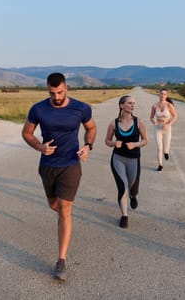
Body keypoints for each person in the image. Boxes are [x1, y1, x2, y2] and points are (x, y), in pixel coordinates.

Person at [21, 72, 97, 281]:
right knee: (54, 205)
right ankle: (65, 218)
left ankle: (61, 259)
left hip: (71, 165)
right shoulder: (38, 109)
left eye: (60, 92)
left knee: (64, 210)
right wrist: (39, 146)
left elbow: (91, 128)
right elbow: (27, 133)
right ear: (48, 90)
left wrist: (88, 146)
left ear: (67, 89)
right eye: (52, 93)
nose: (56, 97)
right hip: (47, 166)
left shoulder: (81, 108)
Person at [105, 95, 148, 228]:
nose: (132, 105)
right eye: (129, 103)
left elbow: (145, 140)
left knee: (132, 187)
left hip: (134, 159)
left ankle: (133, 196)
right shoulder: (113, 123)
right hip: (118, 159)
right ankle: (124, 216)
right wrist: (114, 143)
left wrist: (135, 145)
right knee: (122, 187)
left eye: (133, 103)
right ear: (121, 105)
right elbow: (107, 141)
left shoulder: (139, 122)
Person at [149, 88, 178, 171]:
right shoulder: (154, 105)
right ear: (159, 94)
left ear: (166, 96)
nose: (163, 95)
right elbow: (151, 117)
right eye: (161, 93)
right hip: (157, 128)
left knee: (166, 147)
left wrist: (168, 124)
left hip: (167, 128)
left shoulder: (169, 105)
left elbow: (175, 116)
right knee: (159, 147)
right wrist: (154, 122)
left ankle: (166, 153)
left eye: (165, 94)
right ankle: (160, 165)